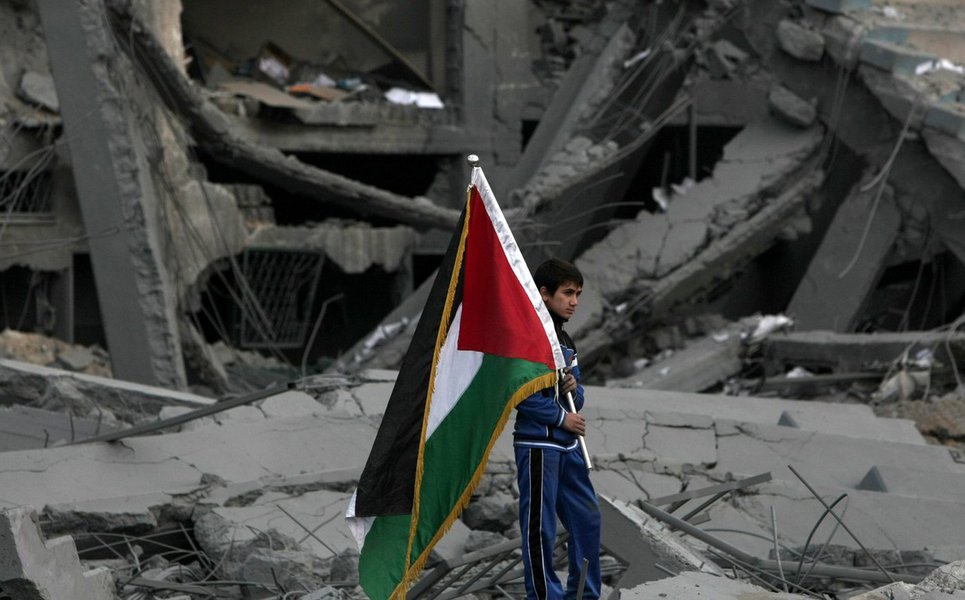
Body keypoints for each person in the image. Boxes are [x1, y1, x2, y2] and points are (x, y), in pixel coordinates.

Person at [514, 258, 601, 600]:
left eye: (578, 293)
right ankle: (544, 595)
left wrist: (570, 385)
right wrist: (560, 417)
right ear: (544, 293)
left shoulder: (564, 339)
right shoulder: (527, 336)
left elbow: (577, 393)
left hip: (569, 447)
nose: (574, 301)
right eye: (567, 293)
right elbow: (519, 394)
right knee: (541, 529)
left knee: (588, 520)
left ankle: (584, 594)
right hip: (538, 446)